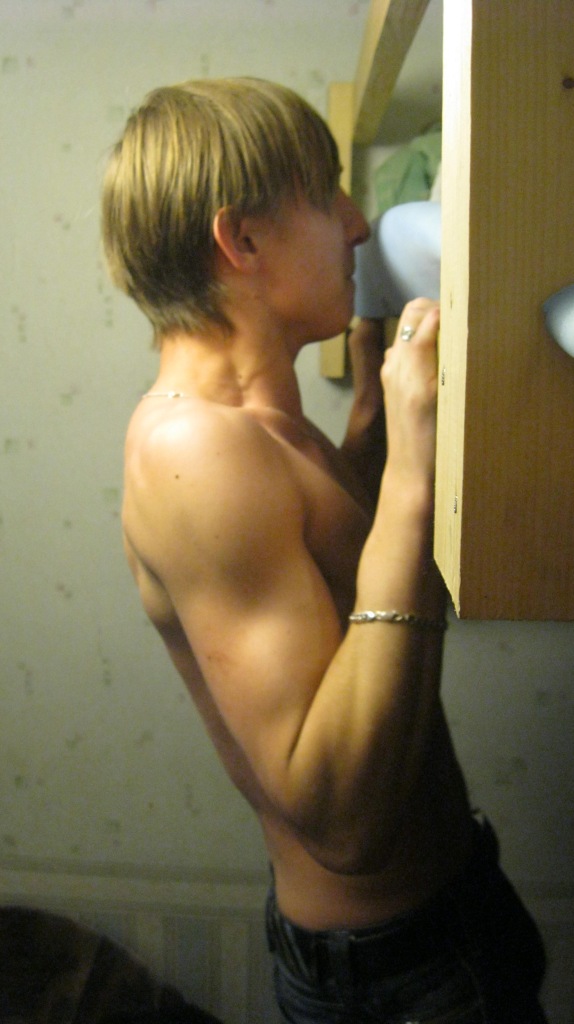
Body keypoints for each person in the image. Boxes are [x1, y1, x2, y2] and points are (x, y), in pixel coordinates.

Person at [101, 77, 547, 1023]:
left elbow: (327, 588)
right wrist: (414, 477)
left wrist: (375, 432)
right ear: (243, 240)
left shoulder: (267, 429)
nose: (356, 224)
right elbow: (342, 819)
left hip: (448, 921)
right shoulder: (194, 449)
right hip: (396, 980)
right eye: (326, 192)